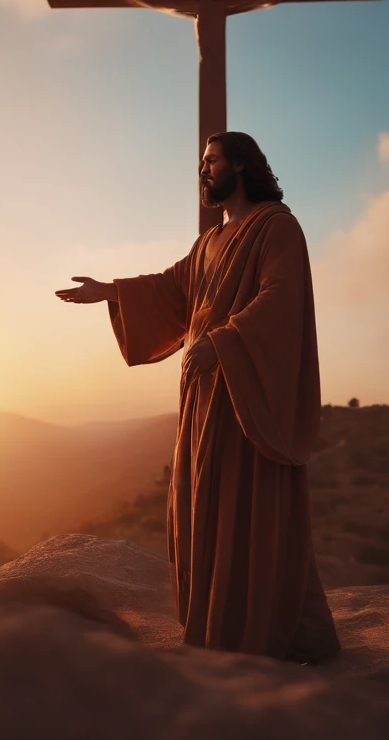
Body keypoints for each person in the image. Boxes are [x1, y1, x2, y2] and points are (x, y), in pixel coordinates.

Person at [55, 132, 340, 664]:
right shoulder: (210, 240)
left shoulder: (276, 226)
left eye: (211, 162)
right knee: (202, 504)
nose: (203, 172)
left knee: (244, 508)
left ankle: (256, 633)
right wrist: (110, 291)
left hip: (245, 396)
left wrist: (222, 342)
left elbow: (282, 298)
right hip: (204, 398)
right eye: (202, 164)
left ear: (240, 165)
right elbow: (172, 289)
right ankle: (214, 625)